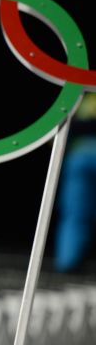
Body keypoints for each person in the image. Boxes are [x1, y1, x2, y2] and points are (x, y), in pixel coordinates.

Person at [52, 93, 96, 273]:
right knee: (76, 211)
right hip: (81, 157)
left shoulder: (81, 96)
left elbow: (58, 129)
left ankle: (68, 261)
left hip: (79, 156)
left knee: (75, 212)